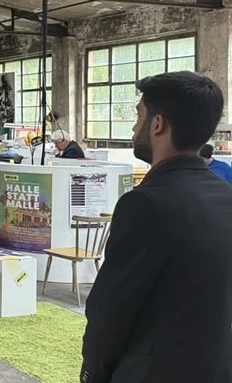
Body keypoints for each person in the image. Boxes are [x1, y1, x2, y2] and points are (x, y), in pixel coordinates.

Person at [81, 71, 232, 383]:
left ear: (158, 124)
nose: (134, 127)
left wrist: (92, 374)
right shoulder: (225, 196)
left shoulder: (145, 204)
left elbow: (110, 310)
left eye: (139, 115)